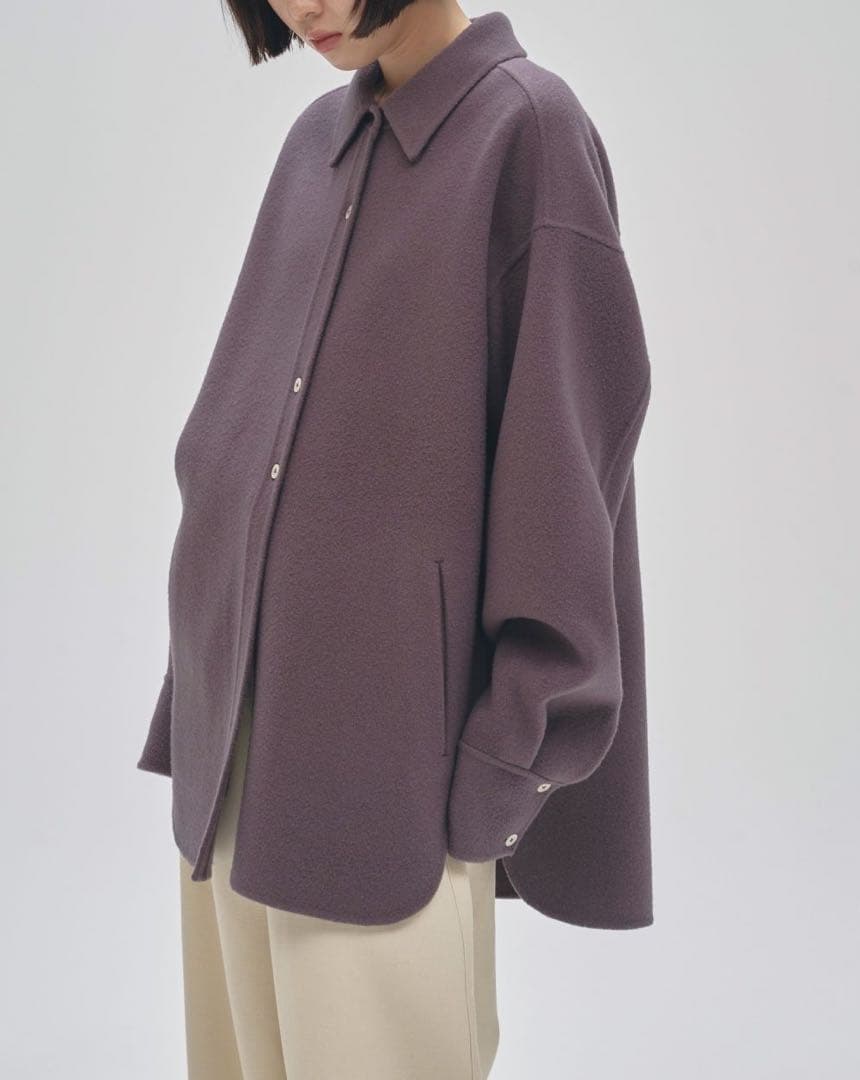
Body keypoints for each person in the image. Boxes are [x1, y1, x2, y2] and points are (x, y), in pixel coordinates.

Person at [137, 2, 654, 1077]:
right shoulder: (313, 146)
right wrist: (201, 684)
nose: (299, 7)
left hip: (390, 797)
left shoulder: (530, 130)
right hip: (235, 766)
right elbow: (242, 434)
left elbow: (569, 490)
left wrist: (500, 768)